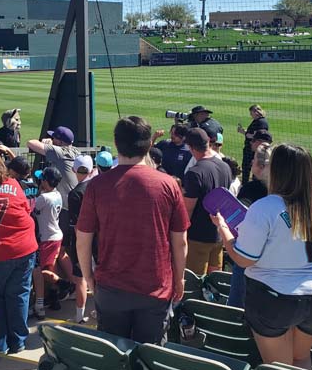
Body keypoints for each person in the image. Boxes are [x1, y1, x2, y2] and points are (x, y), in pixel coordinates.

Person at [211, 144, 312, 369]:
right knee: (300, 359)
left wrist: (224, 230)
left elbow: (244, 259)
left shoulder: (265, 207)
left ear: (278, 171)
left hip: (276, 299)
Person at [76, 116, 189, 344]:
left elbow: (83, 238)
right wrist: (180, 279)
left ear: (117, 144)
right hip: (155, 288)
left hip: (111, 288)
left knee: (115, 356)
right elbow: (180, 242)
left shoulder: (97, 185)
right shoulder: (168, 184)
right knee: (150, 358)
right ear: (149, 145)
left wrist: (88, 276)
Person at [0, 148, 38, 354]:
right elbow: (25, 211)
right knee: (19, 294)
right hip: (25, 246)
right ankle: (18, 341)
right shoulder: (13, 184)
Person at [227, 143, 272, 308]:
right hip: (272, 260)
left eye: (253, 160)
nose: (251, 163)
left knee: (237, 305)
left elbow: (238, 218)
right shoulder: (284, 190)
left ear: (260, 166)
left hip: (246, 256)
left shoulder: (250, 189)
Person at [183, 128, 233, 275]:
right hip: (219, 235)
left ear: (191, 148)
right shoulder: (225, 166)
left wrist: (181, 234)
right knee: (214, 281)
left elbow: (188, 209)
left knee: (195, 281)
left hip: (198, 238)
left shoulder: (194, 172)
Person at [32, 166, 64, 319]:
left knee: (41, 270)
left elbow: (31, 208)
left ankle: (64, 285)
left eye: (43, 179)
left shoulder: (43, 198)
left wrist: (39, 190)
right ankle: (54, 298)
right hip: (55, 235)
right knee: (51, 267)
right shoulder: (56, 194)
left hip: (47, 238)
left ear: (46, 181)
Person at [64, 154, 93, 323]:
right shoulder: (99, 187)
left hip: (83, 241)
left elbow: (76, 227)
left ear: (74, 170)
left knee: (80, 278)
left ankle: (80, 316)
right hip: (101, 239)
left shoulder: (75, 194)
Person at [27, 126, 79, 209]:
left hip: (65, 206)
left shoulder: (59, 152)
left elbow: (30, 143)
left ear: (60, 142)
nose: (52, 139)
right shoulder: (76, 151)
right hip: (75, 202)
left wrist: (44, 143)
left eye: (53, 138)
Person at [238, 105, 269, 184]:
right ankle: (246, 183)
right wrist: (244, 131)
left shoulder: (261, 122)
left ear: (255, 112)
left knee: (251, 167)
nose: (250, 115)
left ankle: (251, 184)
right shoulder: (257, 121)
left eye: (251, 113)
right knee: (247, 167)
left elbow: (260, 136)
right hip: (251, 147)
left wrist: (246, 134)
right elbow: (253, 133)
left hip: (254, 149)